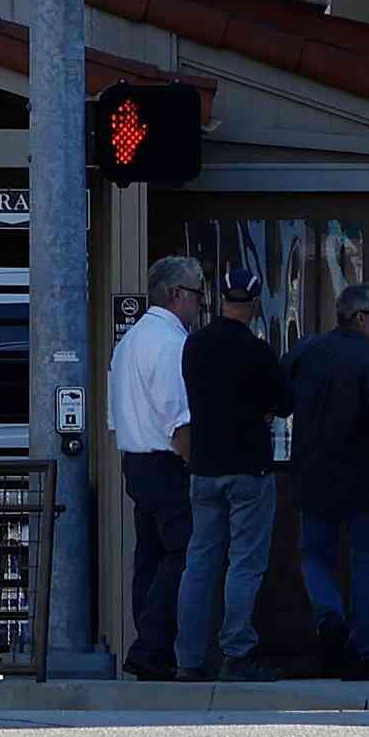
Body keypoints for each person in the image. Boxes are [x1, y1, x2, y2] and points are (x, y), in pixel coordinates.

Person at [175, 264, 293, 683]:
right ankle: (236, 653)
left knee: (199, 563)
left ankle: (189, 659)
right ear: (255, 304)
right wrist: (263, 410)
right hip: (248, 468)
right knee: (245, 562)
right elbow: (285, 402)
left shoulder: (194, 345)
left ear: (220, 300)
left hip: (204, 467)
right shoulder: (258, 351)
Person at [284, 288, 369, 681]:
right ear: (360, 318)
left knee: (314, 556)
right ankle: (359, 651)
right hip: (364, 479)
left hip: (313, 476)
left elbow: (279, 398)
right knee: (367, 561)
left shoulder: (306, 351)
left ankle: (330, 616)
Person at [109, 256, 203, 679]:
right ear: (177, 294)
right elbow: (178, 418)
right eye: (197, 294)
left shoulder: (129, 342)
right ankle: (152, 646)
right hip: (167, 462)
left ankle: (150, 647)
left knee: (149, 556)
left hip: (136, 460)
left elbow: (116, 416)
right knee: (182, 552)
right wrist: (194, 463)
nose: (200, 304)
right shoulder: (170, 343)